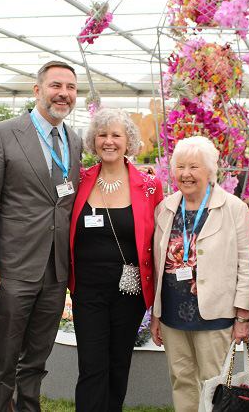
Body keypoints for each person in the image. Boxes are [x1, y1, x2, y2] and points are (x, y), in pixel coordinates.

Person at [0, 60, 82, 412]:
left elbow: (63, 203)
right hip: (14, 266)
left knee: (37, 356)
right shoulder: (3, 133)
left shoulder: (75, 141)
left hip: (55, 268)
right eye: (56, 86)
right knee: (4, 357)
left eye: (71, 87)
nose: (63, 94)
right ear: (38, 90)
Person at [149, 136, 249, 412]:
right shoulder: (166, 208)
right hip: (173, 314)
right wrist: (156, 315)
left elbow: (246, 266)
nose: (186, 174)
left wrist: (243, 316)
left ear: (211, 171)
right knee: (182, 380)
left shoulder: (234, 208)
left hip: (215, 314)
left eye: (194, 167)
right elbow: (158, 264)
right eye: (180, 167)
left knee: (215, 383)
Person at [69, 108, 163, 411]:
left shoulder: (149, 187)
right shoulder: (78, 181)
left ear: (128, 141)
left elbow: (159, 243)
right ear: (93, 140)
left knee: (118, 363)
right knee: (92, 366)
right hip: (87, 291)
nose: (108, 141)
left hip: (130, 292)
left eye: (116, 135)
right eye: (102, 134)